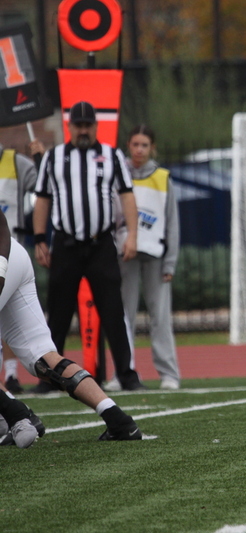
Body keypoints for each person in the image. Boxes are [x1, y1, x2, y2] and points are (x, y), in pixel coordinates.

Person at [0, 208, 141, 446]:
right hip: (12, 256)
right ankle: (118, 420)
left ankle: (17, 415)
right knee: (44, 358)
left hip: (4, 259)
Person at [31, 101, 146, 393]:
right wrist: (40, 239)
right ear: (70, 126)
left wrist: (132, 235)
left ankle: (126, 374)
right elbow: (42, 198)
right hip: (66, 245)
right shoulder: (53, 157)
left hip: (100, 245)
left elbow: (127, 196)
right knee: (57, 313)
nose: (83, 130)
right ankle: (50, 378)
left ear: (95, 126)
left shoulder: (111, 156)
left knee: (112, 311)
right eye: (78, 125)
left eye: (88, 125)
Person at [104, 125, 181, 391]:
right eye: (135, 144)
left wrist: (170, 260)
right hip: (124, 255)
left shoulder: (163, 177)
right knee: (122, 317)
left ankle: (169, 374)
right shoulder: (117, 176)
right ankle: (122, 373)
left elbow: (172, 223)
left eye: (144, 145)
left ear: (152, 148)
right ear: (128, 144)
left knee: (160, 317)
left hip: (156, 256)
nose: (139, 150)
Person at [0, 139, 42, 394]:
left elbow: (43, 185)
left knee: (11, 317)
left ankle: (13, 374)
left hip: (10, 249)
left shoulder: (15, 161)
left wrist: (39, 159)